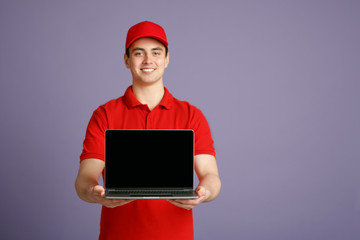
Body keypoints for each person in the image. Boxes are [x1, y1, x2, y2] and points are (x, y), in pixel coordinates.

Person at [75, 21, 221, 240]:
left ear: (167, 59)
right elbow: (85, 179)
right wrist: (95, 194)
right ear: (126, 60)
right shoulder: (104, 114)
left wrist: (203, 193)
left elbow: (211, 176)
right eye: (138, 53)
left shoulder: (191, 115)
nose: (148, 60)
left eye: (156, 52)